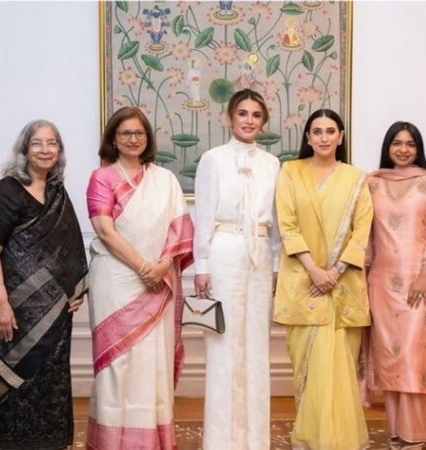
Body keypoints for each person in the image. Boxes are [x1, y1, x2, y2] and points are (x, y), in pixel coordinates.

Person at [85, 106, 194, 449]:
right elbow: (105, 230)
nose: (133, 139)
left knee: (152, 360)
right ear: (113, 139)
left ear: (147, 138)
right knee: (117, 362)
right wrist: (143, 267)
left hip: (158, 279)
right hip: (115, 279)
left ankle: (150, 440)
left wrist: (161, 266)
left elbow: (180, 231)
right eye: (125, 133)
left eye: (139, 133)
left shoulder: (165, 180)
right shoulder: (101, 178)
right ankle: (111, 440)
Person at [0, 119, 88, 449]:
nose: (45, 149)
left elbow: (68, 246)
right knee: (19, 381)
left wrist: (74, 288)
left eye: (52, 143)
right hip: (16, 308)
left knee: (52, 380)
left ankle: (51, 443)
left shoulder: (57, 193)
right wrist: (1, 305)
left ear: (59, 150)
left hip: (55, 312)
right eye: (37, 143)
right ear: (24, 150)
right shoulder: (7, 191)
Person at [273, 109, 372, 449]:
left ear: (341, 137)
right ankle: (310, 437)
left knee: (340, 366)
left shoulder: (356, 178)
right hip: (303, 282)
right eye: (317, 131)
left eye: (331, 131)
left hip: (343, 286)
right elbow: (287, 226)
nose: (324, 137)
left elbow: (362, 231)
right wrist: (315, 271)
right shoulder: (290, 172)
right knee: (308, 365)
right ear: (308, 137)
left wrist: (335, 273)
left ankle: (341, 439)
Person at [194, 89, 280, 450]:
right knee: (224, 344)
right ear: (230, 117)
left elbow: (275, 220)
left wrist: (276, 264)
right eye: (242, 113)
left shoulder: (272, 163)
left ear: (263, 121)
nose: (249, 120)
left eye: (256, 115)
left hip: (259, 255)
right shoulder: (212, 159)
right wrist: (201, 264)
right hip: (224, 251)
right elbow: (203, 214)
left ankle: (255, 440)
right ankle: (221, 441)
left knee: (257, 345)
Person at [365, 122, 426, 450]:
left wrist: (424, 275)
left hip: (420, 281)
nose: (403, 149)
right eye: (396, 143)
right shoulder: (372, 183)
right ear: (388, 147)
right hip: (381, 283)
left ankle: (414, 434)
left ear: (418, 149)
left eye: (410, 144)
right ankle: (396, 432)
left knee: (414, 358)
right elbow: (365, 235)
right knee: (389, 358)